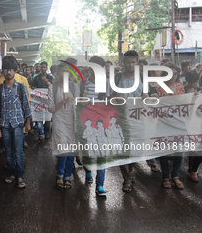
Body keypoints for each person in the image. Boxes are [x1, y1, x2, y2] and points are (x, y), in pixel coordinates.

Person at [0, 56, 32, 189]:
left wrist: (28, 122)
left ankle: (20, 175)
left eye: (10, 69)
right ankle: (12, 173)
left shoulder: (21, 87)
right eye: (5, 70)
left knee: (19, 150)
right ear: (3, 71)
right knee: (8, 150)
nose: (8, 72)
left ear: (15, 71)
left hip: (18, 123)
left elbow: (26, 106)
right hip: (4, 125)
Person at [113, 50, 148, 193]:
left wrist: (147, 95)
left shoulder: (143, 78)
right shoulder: (116, 78)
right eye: (128, 61)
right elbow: (108, 97)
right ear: (123, 63)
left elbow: (151, 97)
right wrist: (115, 98)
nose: (130, 64)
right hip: (120, 118)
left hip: (138, 119)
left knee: (135, 149)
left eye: (133, 62)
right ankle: (126, 176)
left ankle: (131, 170)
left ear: (137, 63)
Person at [79, 56, 107, 196]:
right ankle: (88, 170)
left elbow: (110, 102)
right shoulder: (83, 84)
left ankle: (100, 185)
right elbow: (77, 101)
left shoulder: (106, 84)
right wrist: (81, 101)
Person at [48, 64, 79, 190]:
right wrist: (64, 102)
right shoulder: (53, 87)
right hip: (59, 120)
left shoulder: (75, 86)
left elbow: (78, 105)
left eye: (67, 71)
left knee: (71, 149)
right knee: (63, 148)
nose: (65, 73)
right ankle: (60, 174)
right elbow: (51, 108)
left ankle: (67, 176)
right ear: (57, 73)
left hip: (72, 120)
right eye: (62, 71)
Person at [155, 63, 185, 190]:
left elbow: (185, 103)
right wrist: (154, 98)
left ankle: (176, 175)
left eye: (176, 73)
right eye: (170, 73)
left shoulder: (180, 87)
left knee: (179, 151)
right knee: (164, 152)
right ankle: (165, 177)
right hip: (163, 123)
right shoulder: (159, 88)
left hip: (178, 123)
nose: (173, 76)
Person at [32, 61, 53, 141]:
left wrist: (48, 83)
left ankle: (46, 133)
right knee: (39, 117)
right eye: (42, 67)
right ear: (40, 68)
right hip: (39, 101)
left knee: (47, 117)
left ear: (47, 68)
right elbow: (33, 87)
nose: (43, 69)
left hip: (48, 101)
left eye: (44, 67)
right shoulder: (36, 78)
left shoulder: (51, 77)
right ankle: (41, 133)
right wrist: (33, 88)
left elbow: (54, 87)